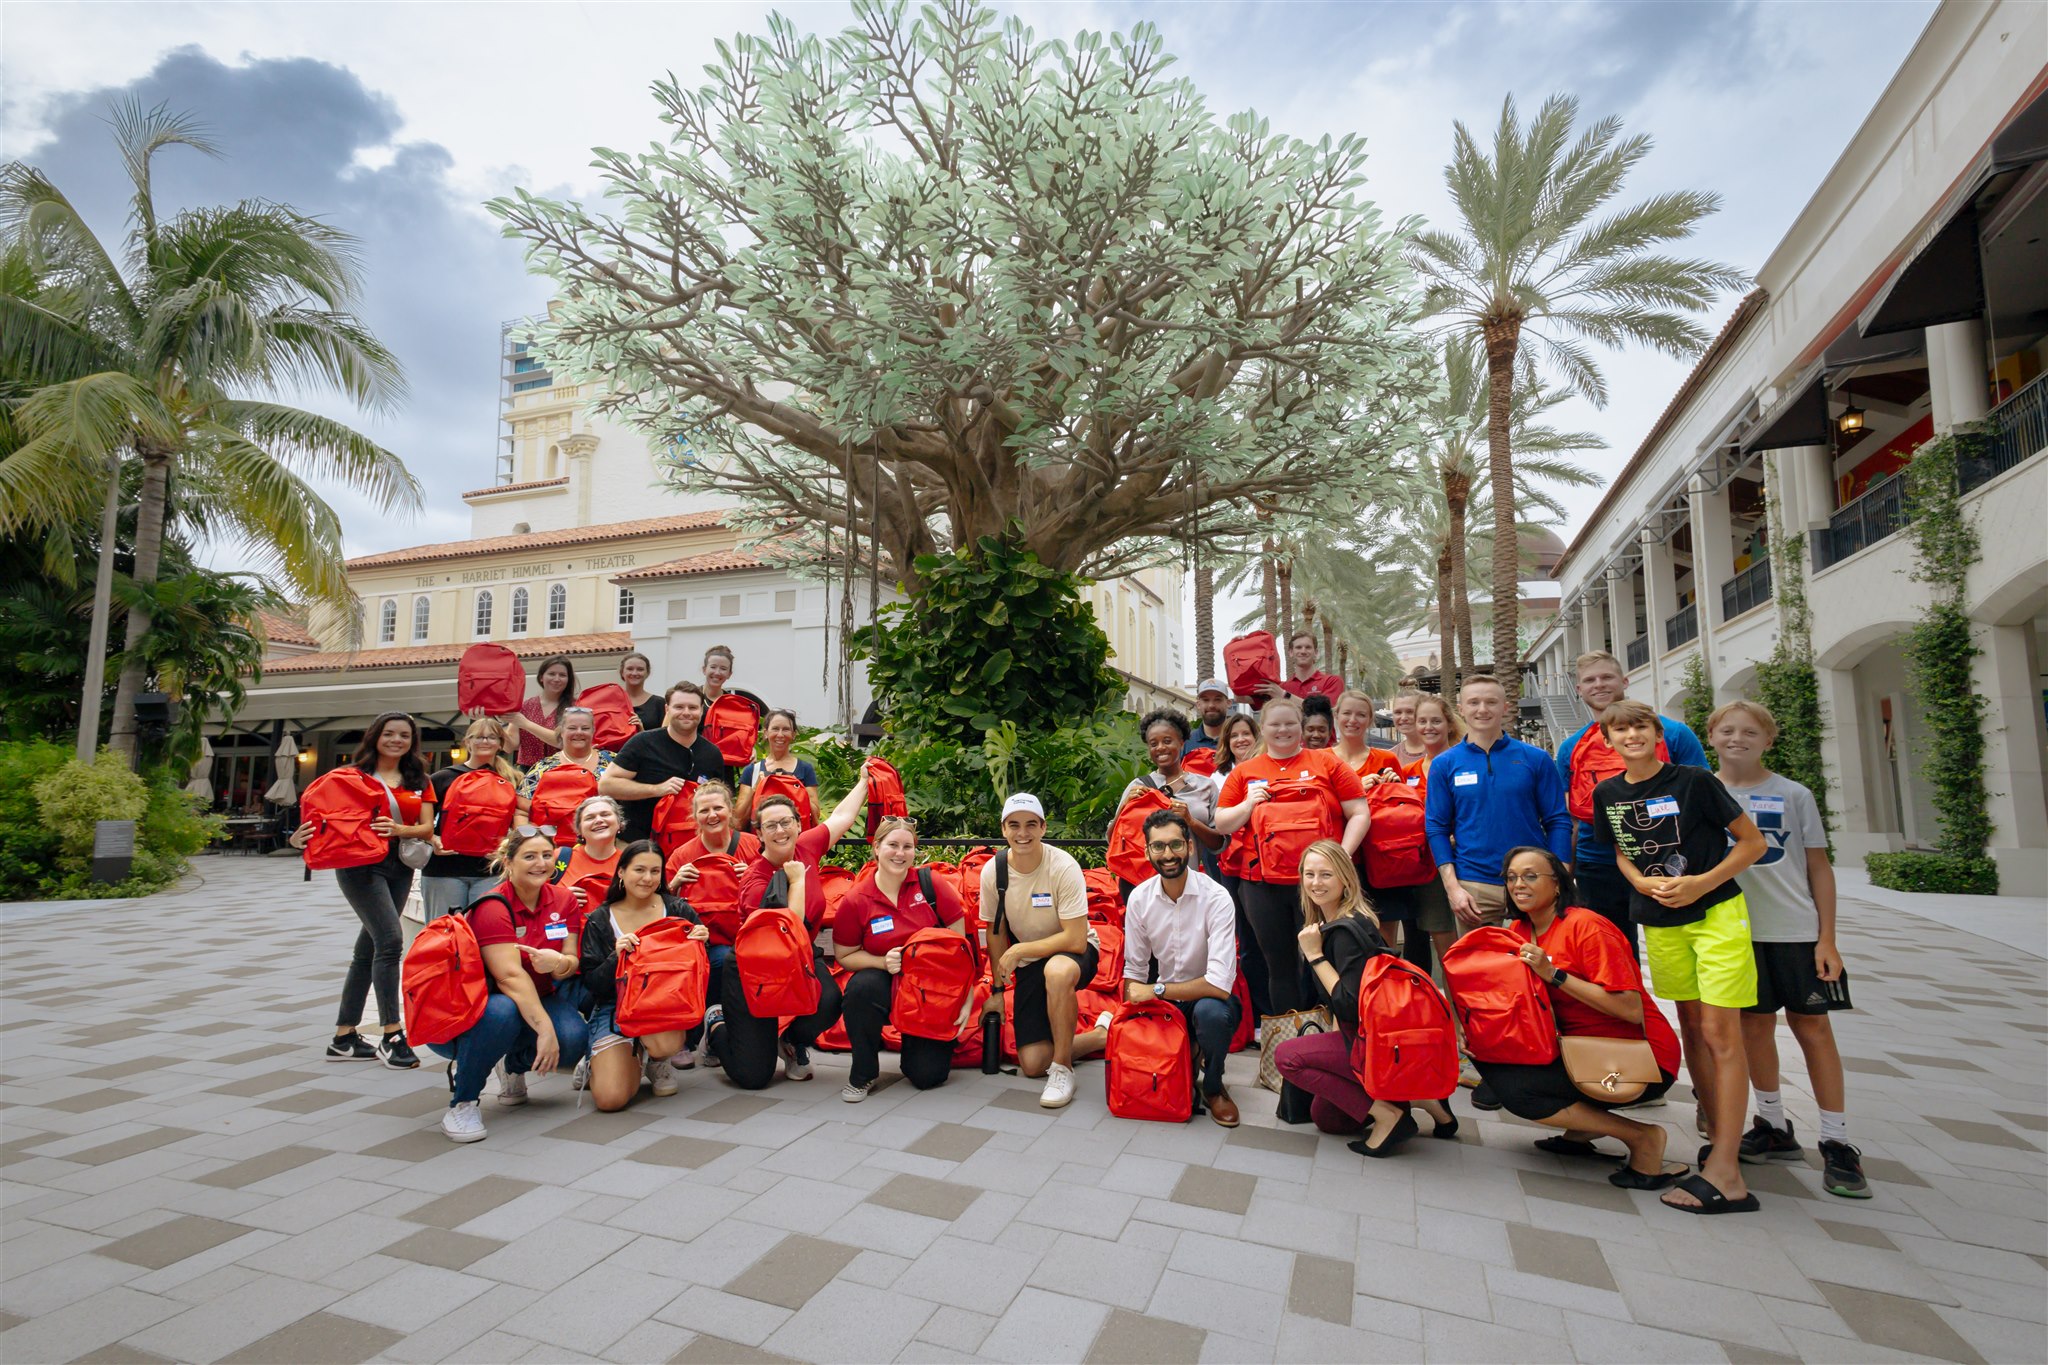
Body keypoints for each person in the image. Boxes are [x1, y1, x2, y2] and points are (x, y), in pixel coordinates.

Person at [1591, 699, 1768, 1214]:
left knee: (1721, 1035)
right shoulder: (1608, 792)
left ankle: (1728, 1173)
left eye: (1640, 727)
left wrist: (1700, 884)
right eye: (1620, 730)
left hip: (1715, 917)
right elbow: (1623, 850)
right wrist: (1640, 881)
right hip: (1661, 922)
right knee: (1690, 1027)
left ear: (1657, 733)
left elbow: (1751, 845)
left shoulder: (1694, 781)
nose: (1631, 736)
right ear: (1608, 741)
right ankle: (1717, 1139)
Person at [1709, 701, 1868, 1199]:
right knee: (1754, 1028)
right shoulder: (1703, 791)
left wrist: (1827, 938)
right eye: (1728, 730)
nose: (1738, 738)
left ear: (1768, 740)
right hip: (1735, 932)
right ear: (1711, 735)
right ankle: (1773, 1124)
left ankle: (1837, 1141)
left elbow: (1818, 867)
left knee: (1813, 1028)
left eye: (1750, 731)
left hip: (1795, 931)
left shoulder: (1793, 794)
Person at [1472, 847, 1689, 1191]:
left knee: (1516, 1090)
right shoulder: (1519, 928)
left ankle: (1643, 1139)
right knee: (1489, 1056)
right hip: (1577, 1048)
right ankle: (1584, 1127)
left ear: (1557, 883)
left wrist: (1554, 974)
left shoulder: (1586, 926)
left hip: (1640, 1057)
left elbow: (1630, 1009)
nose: (1518, 884)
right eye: (1511, 877)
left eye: (1531, 876)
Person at [1275, 840, 1457, 1152]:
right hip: (1370, 1034)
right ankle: (1422, 1098)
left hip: (1370, 1040)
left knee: (1288, 1057)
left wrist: (1314, 956)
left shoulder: (1345, 932)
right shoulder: (1341, 921)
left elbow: (1348, 1004)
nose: (1315, 883)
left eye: (1326, 875)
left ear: (1345, 878)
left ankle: (1389, 1116)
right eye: (1309, 874)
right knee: (1328, 1118)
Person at [709, 764, 877, 1088]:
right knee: (754, 1077)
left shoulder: (808, 847)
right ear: (758, 834)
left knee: (829, 1001)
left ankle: (790, 1040)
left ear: (799, 825)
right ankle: (717, 1024)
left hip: (799, 958)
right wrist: (797, 879)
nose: (780, 831)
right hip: (753, 968)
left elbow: (841, 818)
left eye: (786, 822)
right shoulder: (755, 880)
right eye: (770, 826)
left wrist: (863, 782)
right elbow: (791, 927)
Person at [426, 825, 590, 1142]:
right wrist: (544, 1031)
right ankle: (463, 1102)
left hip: (539, 997)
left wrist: (557, 963)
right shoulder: (492, 907)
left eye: (546, 855)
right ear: (508, 861)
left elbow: (570, 961)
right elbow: (510, 978)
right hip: (485, 1005)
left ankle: (511, 1064)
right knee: (502, 1012)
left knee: (572, 1040)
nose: (541, 863)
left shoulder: (563, 899)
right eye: (529, 856)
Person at [290, 711, 432, 1069]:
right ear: (375, 736)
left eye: (404, 735)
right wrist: (297, 839)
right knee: (390, 940)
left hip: (400, 865)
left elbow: (427, 828)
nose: (396, 740)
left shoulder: (419, 778)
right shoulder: (352, 777)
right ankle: (391, 1034)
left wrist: (400, 830)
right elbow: (321, 817)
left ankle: (343, 1037)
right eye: (389, 734)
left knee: (367, 949)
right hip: (358, 865)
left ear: (412, 741)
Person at [1213, 696, 1371, 1014]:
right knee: (1279, 964)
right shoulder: (1245, 772)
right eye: (1275, 724)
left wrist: (1340, 857)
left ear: (1300, 727)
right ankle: (1288, 1042)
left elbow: (1360, 812)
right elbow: (1221, 822)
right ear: (1263, 729)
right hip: (1262, 885)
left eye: (1289, 724)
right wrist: (1249, 804)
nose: (1283, 730)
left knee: (1324, 960)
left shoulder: (1327, 763)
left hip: (1318, 884)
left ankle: (1331, 1038)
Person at [1555, 651, 1710, 952]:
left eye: (1607, 677)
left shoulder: (1675, 734)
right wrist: (1566, 875)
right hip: (1599, 864)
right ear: (1579, 689)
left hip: (1672, 863)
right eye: (1589, 680)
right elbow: (1569, 818)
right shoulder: (1571, 748)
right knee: (1611, 953)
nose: (1599, 685)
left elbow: (1703, 801)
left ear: (1624, 681)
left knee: (1682, 953)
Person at [981, 792, 1107, 1108]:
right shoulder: (993, 871)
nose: (1022, 833)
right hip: (1031, 960)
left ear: (1043, 827)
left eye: (1030, 825)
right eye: (1014, 825)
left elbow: (1076, 939)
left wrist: (1021, 949)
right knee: (1033, 1064)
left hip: (1074, 952)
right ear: (1004, 829)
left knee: (1057, 970)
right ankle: (1099, 1037)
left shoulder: (1062, 866)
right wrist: (997, 990)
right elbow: (995, 931)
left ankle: (1063, 1069)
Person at [834, 816, 972, 1101]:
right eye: (892, 845)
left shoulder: (931, 884)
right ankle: (863, 1073)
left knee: (927, 1076)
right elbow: (845, 955)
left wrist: (967, 998)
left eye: (907, 846)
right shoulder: (856, 900)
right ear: (876, 848)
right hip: (885, 983)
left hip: (930, 991)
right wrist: (882, 961)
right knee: (861, 988)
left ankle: (916, 1047)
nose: (900, 853)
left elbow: (962, 950)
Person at [1121, 809, 1242, 1127]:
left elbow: (1218, 985)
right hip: (1167, 1005)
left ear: (1190, 847)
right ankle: (1186, 1058)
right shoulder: (1139, 899)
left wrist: (1155, 989)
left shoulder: (1217, 898)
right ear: (1147, 851)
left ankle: (1214, 1086)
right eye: (1158, 846)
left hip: (1212, 1001)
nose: (1168, 854)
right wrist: (1133, 1005)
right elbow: (1134, 969)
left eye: (1175, 844)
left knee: (1211, 1015)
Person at [578, 840, 708, 1111]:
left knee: (665, 1044)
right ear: (621, 872)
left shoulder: (678, 910)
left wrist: (701, 941)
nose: (647, 878)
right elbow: (593, 984)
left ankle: (655, 1057)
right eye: (639, 870)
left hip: (663, 1004)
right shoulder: (600, 919)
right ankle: (626, 1057)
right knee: (610, 1100)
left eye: (655, 871)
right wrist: (617, 956)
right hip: (615, 1008)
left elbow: (695, 972)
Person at [662, 780, 761, 1068]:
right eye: (704, 810)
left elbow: (775, 891)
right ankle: (700, 1035)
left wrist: (755, 876)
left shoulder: (752, 846)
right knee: (719, 961)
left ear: (731, 811)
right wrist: (675, 882)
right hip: (704, 942)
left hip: (748, 937)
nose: (712, 815)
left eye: (718, 808)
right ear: (694, 817)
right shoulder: (682, 855)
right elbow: (661, 905)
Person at [1109, 709, 1223, 891]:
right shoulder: (1138, 786)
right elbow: (1112, 839)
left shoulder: (1205, 786)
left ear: (1181, 742)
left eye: (1167, 741)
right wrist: (1124, 807)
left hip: (1185, 885)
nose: (1160, 747)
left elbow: (1219, 843)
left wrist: (1191, 821)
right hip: (1141, 885)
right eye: (1153, 744)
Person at [601, 681, 727, 843]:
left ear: (702, 710)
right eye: (679, 707)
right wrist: (657, 789)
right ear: (667, 709)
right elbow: (606, 785)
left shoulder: (712, 753)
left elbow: (722, 801)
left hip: (690, 846)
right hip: (637, 844)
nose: (686, 712)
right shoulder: (643, 743)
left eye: (693, 707)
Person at [421, 716, 520, 922]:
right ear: (467, 742)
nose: (485, 742)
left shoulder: (513, 779)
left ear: (501, 743)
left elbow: (520, 822)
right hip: (444, 868)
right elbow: (420, 822)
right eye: (479, 737)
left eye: (491, 737)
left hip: (491, 870)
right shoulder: (442, 778)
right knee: (443, 933)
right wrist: (433, 840)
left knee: (486, 934)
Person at [1213, 712, 1272, 1026]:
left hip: (1271, 865)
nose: (1240, 740)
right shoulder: (1220, 777)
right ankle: (1261, 1016)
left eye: (1245, 734)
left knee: (1274, 941)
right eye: (1233, 735)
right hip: (1234, 866)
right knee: (1247, 940)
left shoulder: (1270, 766)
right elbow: (1218, 825)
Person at [1399, 692, 1462, 971]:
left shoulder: (1464, 760)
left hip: (1462, 860)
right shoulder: (1408, 771)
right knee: (1437, 939)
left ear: (1449, 724)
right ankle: (1447, 1011)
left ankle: (1464, 1011)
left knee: (1460, 943)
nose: (1428, 727)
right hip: (1422, 866)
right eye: (1422, 721)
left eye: (1435, 720)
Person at [516, 708, 615, 834]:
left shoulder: (612, 762)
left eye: (585, 728)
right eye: (572, 728)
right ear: (561, 732)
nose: (579, 732)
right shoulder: (543, 768)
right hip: (555, 843)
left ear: (593, 731)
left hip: (604, 841)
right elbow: (522, 811)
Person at [735, 710, 820, 830]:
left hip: (796, 841)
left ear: (793, 734)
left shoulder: (805, 769)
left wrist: (797, 789)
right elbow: (738, 817)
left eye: (785, 729)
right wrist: (756, 788)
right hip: (762, 843)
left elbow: (815, 815)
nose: (780, 734)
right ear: (765, 733)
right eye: (775, 729)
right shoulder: (753, 771)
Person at [501, 655, 577, 768]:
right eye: (551, 674)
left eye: (562, 675)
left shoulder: (575, 708)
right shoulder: (524, 706)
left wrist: (525, 724)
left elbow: (562, 741)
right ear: (541, 677)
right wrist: (496, 723)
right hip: (528, 773)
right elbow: (509, 747)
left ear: (568, 680)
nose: (556, 679)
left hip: (562, 771)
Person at [557, 795, 627, 912]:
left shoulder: (629, 863)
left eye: (605, 814)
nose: (599, 820)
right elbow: (528, 895)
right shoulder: (558, 857)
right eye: (590, 818)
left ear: (619, 824)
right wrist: (558, 897)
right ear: (579, 831)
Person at [1256, 631, 1343, 705]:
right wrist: (1242, 644)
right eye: (1298, 647)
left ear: (1316, 653)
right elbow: (1247, 697)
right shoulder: (1281, 687)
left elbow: (1324, 711)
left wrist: (1284, 695)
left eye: (1308, 647)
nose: (1303, 651)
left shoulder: (1332, 682)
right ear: (1290, 652)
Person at [620, 652, 665, 733]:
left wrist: (642, 733)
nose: (634, 673)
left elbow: (664, 738)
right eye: (630, 669)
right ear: (622, 672)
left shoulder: (660, 703)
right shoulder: (612, 702)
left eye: (640, 669)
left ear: (647, 673)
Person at [1185, 680, 1231, 757]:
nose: (1211, 705)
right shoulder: (1186, 742)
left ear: (1228, 703)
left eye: (1217, 699)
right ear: (1198, 704)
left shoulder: (1239, 740)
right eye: (1205, 700)